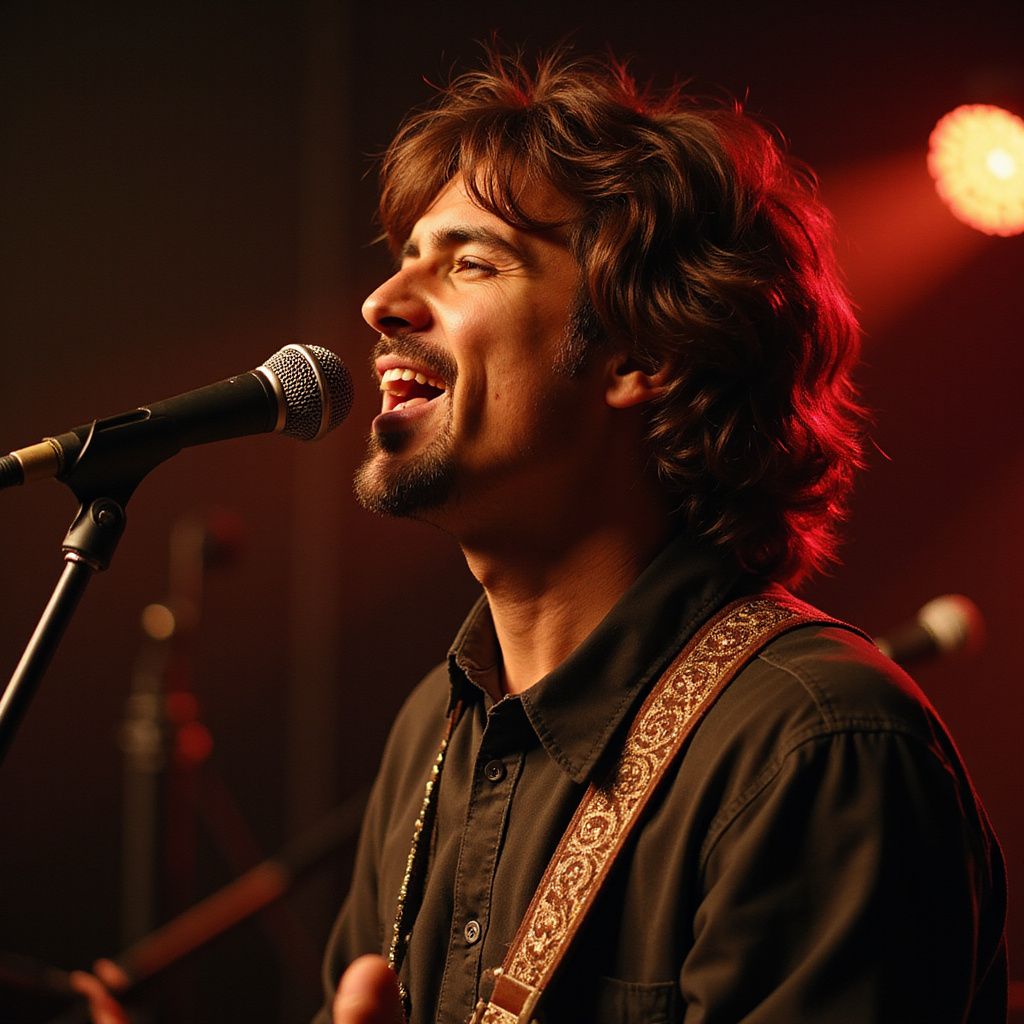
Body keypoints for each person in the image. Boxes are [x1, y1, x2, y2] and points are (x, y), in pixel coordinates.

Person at [76, 46, 1008, 1024]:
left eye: (470, 260)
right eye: (404, 257)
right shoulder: (431, 734)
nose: (382, 303)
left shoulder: (818, 748)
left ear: (639, 353)